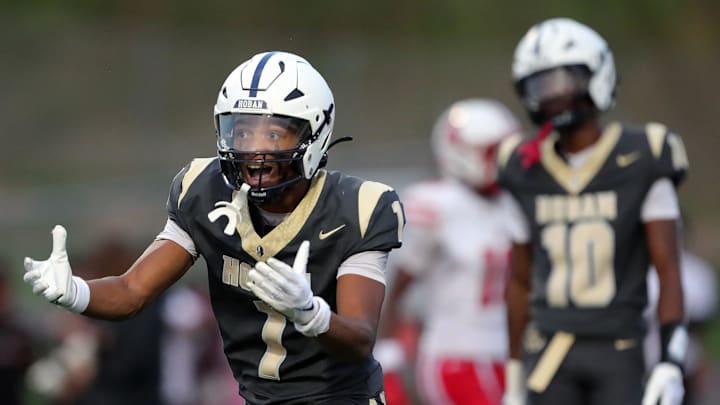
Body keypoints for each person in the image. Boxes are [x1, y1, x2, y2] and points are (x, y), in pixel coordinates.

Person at [23, 50, 405, 405]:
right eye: (242, 133)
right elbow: (131, 290)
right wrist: (76, 292)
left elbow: (359, 337)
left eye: (273, 134)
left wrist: (311, 314)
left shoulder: (358, 208)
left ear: (314, 134)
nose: (254, 151)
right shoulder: (202, 192)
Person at [497, 18, 689, 405]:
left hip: (618, 347)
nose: (551, 97)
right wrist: (514, 376)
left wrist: (671, 359)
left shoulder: (644, 155)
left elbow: (668, 269)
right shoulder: (521, 165)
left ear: (595, 76)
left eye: (561, 82)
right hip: (549, 348)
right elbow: (519, 280)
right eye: (540, 86)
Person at [377, 98, 524, 405]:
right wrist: (388, 346)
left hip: (506, 356)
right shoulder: (438, 205)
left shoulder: (514, 205)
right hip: (456, 355)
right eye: (494, 152)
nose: (504, 161)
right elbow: (403, 280)